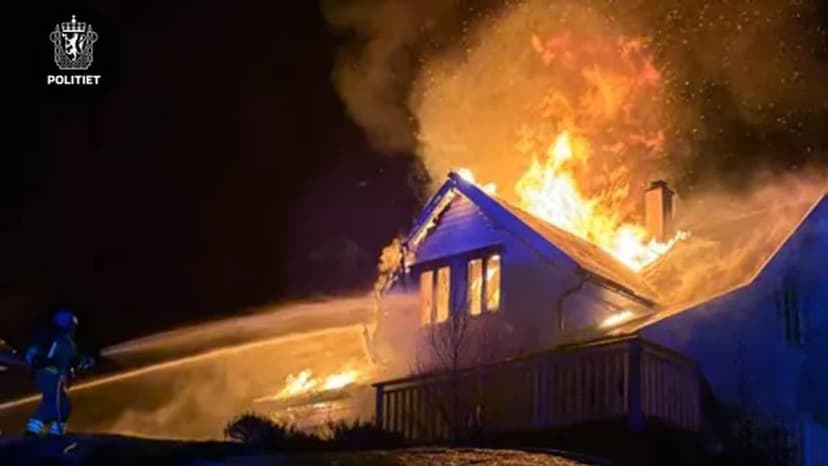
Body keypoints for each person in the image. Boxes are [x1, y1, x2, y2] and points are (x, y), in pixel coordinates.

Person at [24, 309, 94, 438]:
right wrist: (64, 373)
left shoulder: (63, 341)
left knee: (63, 405)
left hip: (50, 375)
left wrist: (78, 363)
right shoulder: (59, 340)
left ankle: (56, 433)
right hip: (50, 375)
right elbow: (59, 360)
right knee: (52, 404)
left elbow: (66, 360)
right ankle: (32, 433)